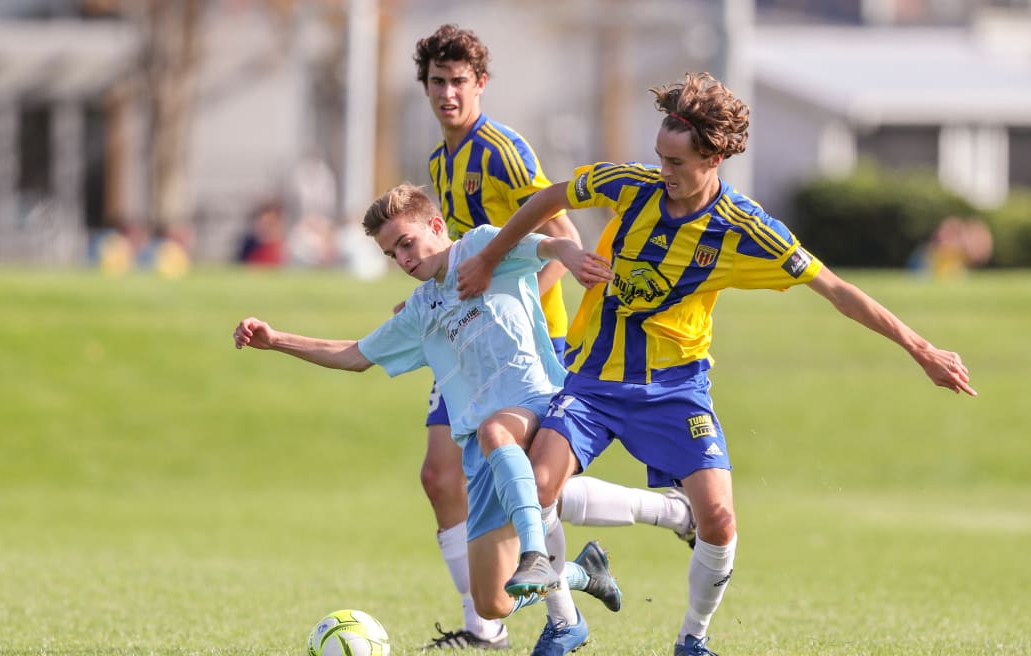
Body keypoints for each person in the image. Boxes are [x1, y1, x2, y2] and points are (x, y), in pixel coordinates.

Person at [455, 71, 977, 656]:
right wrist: (507, 256)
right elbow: (549, 198)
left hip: (677, 390)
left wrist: (920, 348)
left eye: (676, 162)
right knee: (539, 484)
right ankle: (564, 621)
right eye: (660, 157)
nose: (663, 172)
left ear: (716, 155)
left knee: (719, 522)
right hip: (594, 381)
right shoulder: (631, 186)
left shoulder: (746, 226)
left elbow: (835, 289)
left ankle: (692, 640)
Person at [234, 183, 617, 655]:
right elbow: (355, 355)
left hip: (536, 403)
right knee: (494, 603)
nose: (403, 259)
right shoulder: (420, 310)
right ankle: (581, 572)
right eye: (392, 253)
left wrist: (572, 255)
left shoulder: (479, 247)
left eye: (407, 243)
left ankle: (539, 554)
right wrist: (276, 341)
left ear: (436, 227)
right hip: (482, 452)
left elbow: (547, 244)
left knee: (497, 430)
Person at [412, 24, 698, 651]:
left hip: (524, 345)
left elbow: (558, 236)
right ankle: (488, 623)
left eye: (460, 81)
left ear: (481, 83)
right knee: (443, 479)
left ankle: (670, 516)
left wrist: (518, 314)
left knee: (537, 489)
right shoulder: (441, 159)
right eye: (438, 82)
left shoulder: (501, 151)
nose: (448, 93)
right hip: (468, 345)